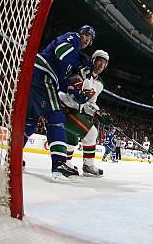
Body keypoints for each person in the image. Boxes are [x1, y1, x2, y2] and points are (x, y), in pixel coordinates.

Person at [24, 25, 95, 181]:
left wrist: (75, 93)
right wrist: (80, 64)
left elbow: (62, 80)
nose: (86, 40)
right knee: (56, 116)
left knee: (30, 121)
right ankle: (59, 165)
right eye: (85, 36)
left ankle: (12, 155)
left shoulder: (72, 57)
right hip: (43, 74)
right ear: (80, 33)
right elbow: (60, 51)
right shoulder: (72, 37)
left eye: (89, 40)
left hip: (37, 75)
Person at [58, 49, 110, 177]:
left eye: (104, 64)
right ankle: (87, 165)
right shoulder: (81, 69)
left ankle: (67, 163)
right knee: (92, 133)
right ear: (93, 60)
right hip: (64, 107)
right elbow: (67, 84)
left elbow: (89, 104)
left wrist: (99, 113)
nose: (101, 66)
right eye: (99, 61)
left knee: (71, 139)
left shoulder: (98, 84)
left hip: (73, 109)